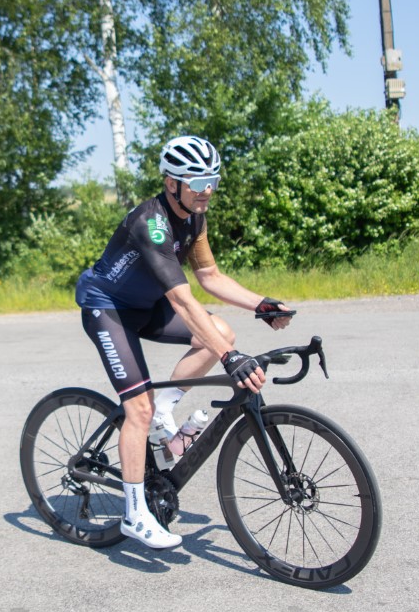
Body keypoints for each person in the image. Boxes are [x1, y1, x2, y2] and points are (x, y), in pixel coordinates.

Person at [75, 134, 294, 551]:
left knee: (221, 333)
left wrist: (260, 304)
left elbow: (210, 277)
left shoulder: (195, 218)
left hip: (146, 304)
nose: (207, 190)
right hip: (109, 308)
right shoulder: (151, 223)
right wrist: (230, 359)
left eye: (212, 181)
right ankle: (134, 514)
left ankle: (165, 407)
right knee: (137, 409)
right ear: (171, 183)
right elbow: (182, 299)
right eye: (197, 183)